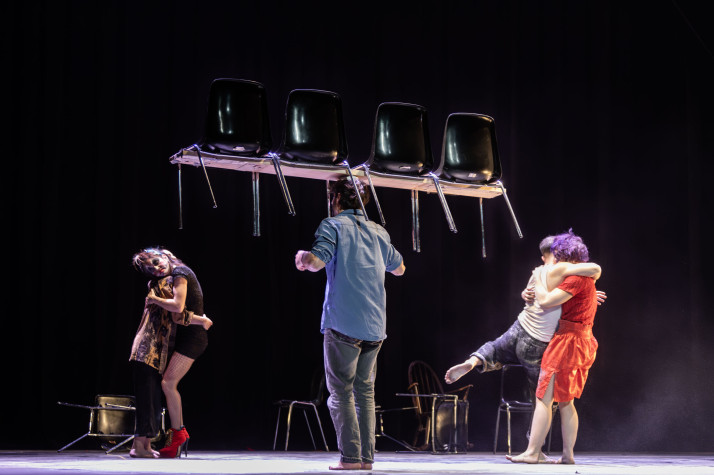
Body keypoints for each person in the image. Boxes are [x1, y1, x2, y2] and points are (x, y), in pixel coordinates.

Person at [295, 177, 405, 471]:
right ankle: (365, 459)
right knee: (365, 393)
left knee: (341, 393)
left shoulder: (333, 225)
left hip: (344, 323)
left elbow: (316, 262)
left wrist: (302, 258)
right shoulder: (378, 230)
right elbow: (400, 269)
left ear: (336, 200)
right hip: (374, 326)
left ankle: (350, 458)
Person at [444, 236, 604, 394]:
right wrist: (585, 293)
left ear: (543, 257)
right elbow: (595, 270)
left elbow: (529, 294)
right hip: (539, 341)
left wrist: (585, 295)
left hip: (521, 326)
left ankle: (473, 361)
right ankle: (542, 409)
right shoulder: (562, 271)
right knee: (544, 392)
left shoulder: (537, 273)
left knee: (496, 348)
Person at [507, 229, 601, 465]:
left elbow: (546, 302)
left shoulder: (574, 279)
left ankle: (532, 452)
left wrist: (539, 278)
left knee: (544, 398)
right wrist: (527, 293)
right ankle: (568, 455)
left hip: (567, 342)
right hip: (583, 341)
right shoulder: (585, 278)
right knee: (567, 401)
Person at [130, 248, 213, 458]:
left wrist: (202, 321)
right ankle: (154, 441)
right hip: (151, 346)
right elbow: (177, 312)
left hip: (182, 340)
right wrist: (202, 319)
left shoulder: (177, 274)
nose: (156, 269)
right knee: (155, 391)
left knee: (163, 387)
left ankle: (172, 436)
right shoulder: (163, 281)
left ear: (166, 255)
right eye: (151, 269)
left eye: (156, 262)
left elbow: (177, 308)